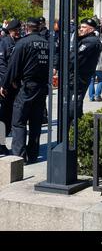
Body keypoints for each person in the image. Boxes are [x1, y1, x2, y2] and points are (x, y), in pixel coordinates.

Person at [0, 18, 49, 163]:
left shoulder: (23, 43)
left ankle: (19, 156)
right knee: (35, 122)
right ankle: (33, 154)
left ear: (27, 28)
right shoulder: (47, 43)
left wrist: (5, 84)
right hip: (41, 87)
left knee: (18, 121)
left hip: (26, 87)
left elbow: (13, 67)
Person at [68, 18, 102, 119]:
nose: (81, 29)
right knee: (72, 103)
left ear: (91, 30)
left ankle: (74, 126)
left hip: (80, 77)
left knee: (73, 106)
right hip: (76, 75)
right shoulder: (84, 40)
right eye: (80, 27)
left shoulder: (90, 42)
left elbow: (75, 58)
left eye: (84, 27)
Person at [0, 19, 22, 155]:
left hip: (16, 85)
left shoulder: (19, 42)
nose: (17, 32)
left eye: (18, 30)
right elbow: (2, 65)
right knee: (3, 116)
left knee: (10, 117)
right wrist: (8, 81)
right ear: (9, 31)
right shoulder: (4, 43)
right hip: (5, 85)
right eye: (15, 31)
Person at [88, 38, 102, 102]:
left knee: (91, 81)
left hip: (91, 65)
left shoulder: (89, 43)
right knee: (100, 81)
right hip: (100, 65)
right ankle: (97, 95)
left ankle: (91, 97)